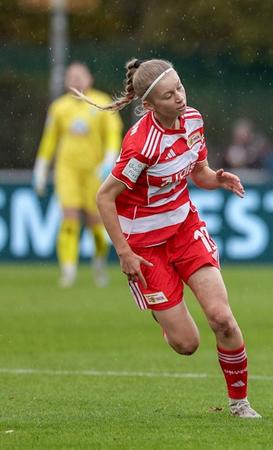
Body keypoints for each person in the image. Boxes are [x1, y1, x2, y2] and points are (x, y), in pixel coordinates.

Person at [77, 58, 261, 418]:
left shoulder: (193, 119)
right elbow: (104, 197)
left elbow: (199, 172)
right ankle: (163, 314)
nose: (179, 98)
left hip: (184, 230)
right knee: (187, 344)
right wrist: (123, 253)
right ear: (149, 105)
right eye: (168, 94)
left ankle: (240, 403)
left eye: (179, 88)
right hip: (145, 247)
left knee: (222, 318)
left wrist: (217, 179)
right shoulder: (141, 145)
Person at [33, 62, 123, 288]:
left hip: (94, 172)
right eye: (71, 76)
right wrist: (41, 168)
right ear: (65, 81)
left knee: (96, 223)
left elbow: (113, 135)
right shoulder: (59, 108)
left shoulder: (102, 103)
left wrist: (108, 161)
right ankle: (68, 269)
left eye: (80, 76)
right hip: (67, 170)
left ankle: (99, 262)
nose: (76, 80)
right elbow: (49, 139)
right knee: (69, 218)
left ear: (89, 79)